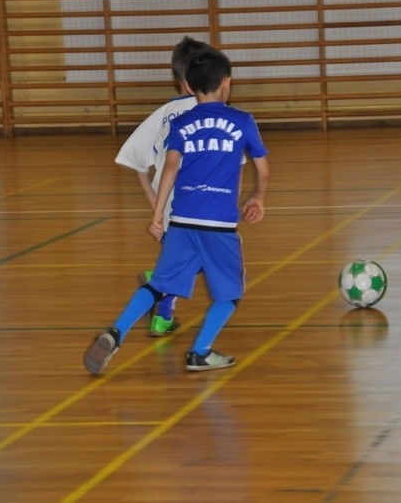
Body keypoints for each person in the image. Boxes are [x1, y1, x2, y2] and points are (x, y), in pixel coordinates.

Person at [84, 48, 270, 374]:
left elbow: (169, 169)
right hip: (219, 225)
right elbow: (263, 169)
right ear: (226, 84)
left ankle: (115, 332)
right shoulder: (242, 120)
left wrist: (157, 215)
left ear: (189, 87)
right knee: (229, 294)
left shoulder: (182, 121)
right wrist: (258, 196)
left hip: (182, 220)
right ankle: (200, 352)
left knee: (159, 284)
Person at [114, 36, 211, 337]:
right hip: (202, 204)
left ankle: (161, 311)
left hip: (168, 204)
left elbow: (136, 163)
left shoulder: (161, 115)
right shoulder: (216, 113)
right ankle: (157, 295)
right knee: (209, 260)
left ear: (179, 79)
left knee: (192, 260)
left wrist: (156, 206)